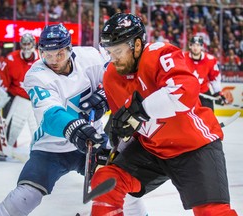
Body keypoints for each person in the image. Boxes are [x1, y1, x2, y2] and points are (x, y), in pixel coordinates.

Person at [0, 23, 148, 216]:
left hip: (93, 143)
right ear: (40, 53)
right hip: (51, 148)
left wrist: (106, 98)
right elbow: (51, 115)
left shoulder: (90, 57)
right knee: (25, 196)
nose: (54, 60)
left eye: (59, 54)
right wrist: (77, 128)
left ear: (69, 50)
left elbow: (118, 78)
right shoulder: (36, 76)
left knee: (123, 188)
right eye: (48, 55)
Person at [90, 13, 238, 216]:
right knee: (106, 180)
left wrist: (139, 110)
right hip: (152, 150)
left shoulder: (159, 54)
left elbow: (184, 91)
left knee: (212, 212)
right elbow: (128, 127)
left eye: (118, 51)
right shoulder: (110, 78)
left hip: (194, 147)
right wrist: (112, 148)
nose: (113, 59)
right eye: (109, 52)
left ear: (138, 44)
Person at [0, 33, 39, 158]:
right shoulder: (11, 59)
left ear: (33, 44)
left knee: (38, 129)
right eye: (24, 44)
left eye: (28, 43)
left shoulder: (42, 58)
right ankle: (2, 148)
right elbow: (3, 82)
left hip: (38, 100)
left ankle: (41, 153)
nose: (26, 47)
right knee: (12, 126)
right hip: (19, 99)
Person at [184, 36, 233, 110]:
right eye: (193, 45)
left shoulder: (210, 60)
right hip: (187, 92)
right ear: (190, 46)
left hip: (203, 91)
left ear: (202, 46)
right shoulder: (182, 58)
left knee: (209, 113)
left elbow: (214, 78)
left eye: (198, 45)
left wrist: (217, 93)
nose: (195, 48)